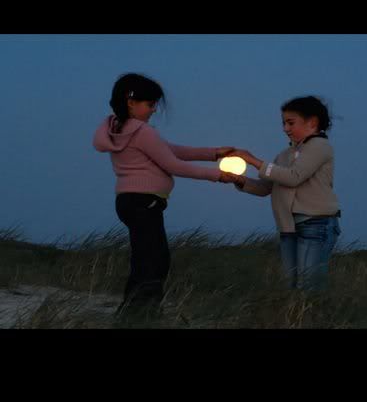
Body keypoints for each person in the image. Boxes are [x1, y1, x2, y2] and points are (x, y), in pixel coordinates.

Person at [93, 73, 238, 318]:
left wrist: (215, 153)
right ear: (131, 102)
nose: (153, 110)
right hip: (144, 202)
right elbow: (174, 164)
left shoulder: (119, 129)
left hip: (129, 200)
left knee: (145, 258)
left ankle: (132, 312)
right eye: (150, 104)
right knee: (154, 261)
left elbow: (172, 150)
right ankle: (142, 314)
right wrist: (217, 175)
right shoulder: (141, 131)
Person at [229, 96, 341, 294]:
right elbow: (266, 188)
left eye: (291, 122)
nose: (285, 128)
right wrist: (239, 181)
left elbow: (293, 177)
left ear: (312, 122)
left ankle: (317, 318)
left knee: (309, 286)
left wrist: (253, 160)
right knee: (290, 285)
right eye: (283, 123)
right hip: (289, 227)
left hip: (316, 223)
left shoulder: (320, 147)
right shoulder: (284, 155)